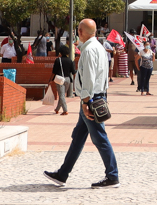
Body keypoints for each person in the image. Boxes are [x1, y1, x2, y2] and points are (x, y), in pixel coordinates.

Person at [43, 19, 118, 189]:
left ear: (82, 31)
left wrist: (86, 101)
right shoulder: (98, 48)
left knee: (99, 138)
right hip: (94, 97)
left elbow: (89, 79)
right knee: (78, 138)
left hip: (90, 99)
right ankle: (62, 174)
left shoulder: (89, 50)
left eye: (78, 30)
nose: (77, 33)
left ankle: (113, 176)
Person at [50, 44, 75, 116]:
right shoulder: (70, 61)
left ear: (60, 52)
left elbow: (54, 71)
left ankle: (65, 110)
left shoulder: (58, 60)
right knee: (62, 95)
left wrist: (51, 79)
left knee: (61, 95)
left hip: (59, 79)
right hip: (67, 79)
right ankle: (57, 109)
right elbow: (73, 72)